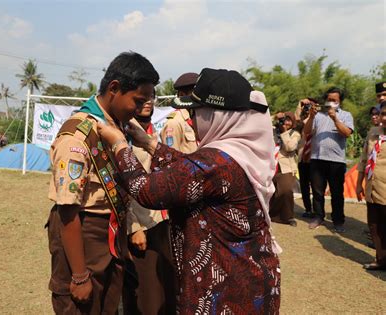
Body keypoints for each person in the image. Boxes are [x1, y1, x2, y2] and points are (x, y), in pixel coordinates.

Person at [99, 68, 281, 314]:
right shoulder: (241, 152)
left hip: (225, 290)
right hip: (252, 279)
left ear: (218, 115)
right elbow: (191, 171)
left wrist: (120, 144)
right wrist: (150, 143)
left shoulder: (217, 161)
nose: (192, 120)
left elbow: (147, 190)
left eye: (196, 112)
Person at [46, 51, 159, 314]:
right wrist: (79, 276)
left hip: (111, 232)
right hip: (84, 233)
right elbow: (67, 210)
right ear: (114, 89)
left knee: (108, 305)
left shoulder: (119, 128)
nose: (141, 108)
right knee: (80, 306)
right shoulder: (77, 137)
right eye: (137, 100)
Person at [123, 92, 176, 315]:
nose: (148, 102)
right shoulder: (123, 133)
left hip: (162, 220)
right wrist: (133, 227)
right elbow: (120, 185)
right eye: (141, 98)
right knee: (148, 296)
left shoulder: (153, 131)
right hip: (142, 224)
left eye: (151, 97)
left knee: (167, 288)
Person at [304, 87, 354, 232]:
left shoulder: (346, 115)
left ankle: (338, 220)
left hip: (337, 161)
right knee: (317, 191)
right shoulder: (318, 115)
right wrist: (312, 116)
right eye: (329, 100)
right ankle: (318, 216)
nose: (331, 102)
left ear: (340, 102)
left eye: (334, 100)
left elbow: (347, 133)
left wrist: (335, 118)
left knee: (337, 192)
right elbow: (306, 131)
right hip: (317, 158)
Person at [356, 100, 386, 270]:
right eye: (382, 114)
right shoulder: (373, 133)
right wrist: (359, 183)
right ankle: (381, 260)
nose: (384, 117)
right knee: (374, 225)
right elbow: (363, 159)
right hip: (372, 186)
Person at [270, 112, 301, 226]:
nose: (286, 122)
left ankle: (287, 217)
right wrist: (275, 116)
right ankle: (269, 214)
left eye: (289, 120)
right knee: (269, 191)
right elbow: (262, 122)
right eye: (284, 120)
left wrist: (284, 132)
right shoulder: (272, 129)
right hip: (269, 165)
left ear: (293, 122)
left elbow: (290, 147)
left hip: (286, 167)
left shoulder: (295, 134)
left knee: (286, 190)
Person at [160, 72, 198, 153]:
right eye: (195, 94)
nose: (199, 98)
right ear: (182, 95)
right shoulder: (174, 123)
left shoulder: (196, 118)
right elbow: (171, 159)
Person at [294, 98, 319, 218]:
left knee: (315, 185)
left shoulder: (318, 119)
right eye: (307, 106)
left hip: (314, 156)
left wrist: (314, 111)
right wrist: (300, 105)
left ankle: (317, 210)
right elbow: (296, 120)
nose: (308, 107)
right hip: (302, 156)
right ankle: (308, 209)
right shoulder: (301, 121)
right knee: (304, 185)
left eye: (310, 105)